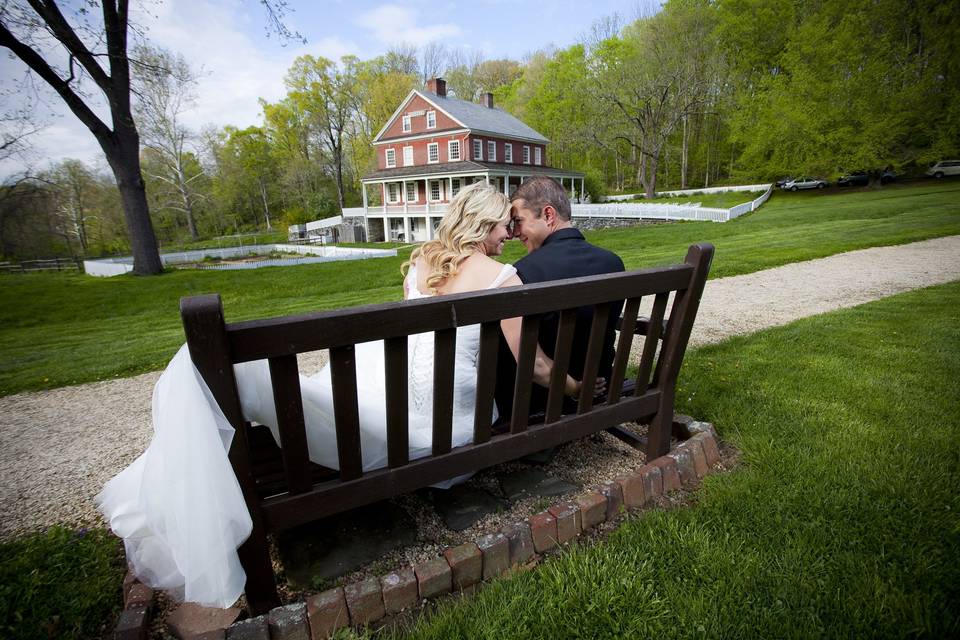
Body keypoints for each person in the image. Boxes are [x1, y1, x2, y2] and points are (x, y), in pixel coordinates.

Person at [96, 182, 590, 608]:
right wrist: (581, 388)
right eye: (504, 225)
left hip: (404, 402)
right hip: (452, 430)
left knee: (293, 387)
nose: (510, 235)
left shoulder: (422, 265)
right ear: (483, 225)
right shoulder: (505, 278)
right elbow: (538, 367)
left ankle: (203, 464)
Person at [495, 175, 625, 421]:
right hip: (599, 384)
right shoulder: (613, 262)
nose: (514, 233)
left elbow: (530, 363)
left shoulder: (523, 273)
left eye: (519, 222)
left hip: (539, 401)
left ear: (548, 215)